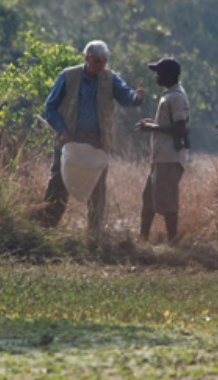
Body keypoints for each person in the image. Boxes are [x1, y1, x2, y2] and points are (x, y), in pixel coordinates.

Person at [41, 40, 145, 242]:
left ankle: (93, 236)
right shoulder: (68, 75)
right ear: (86, 58)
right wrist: (62, 131)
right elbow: (50, 108)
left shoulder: (109, 78)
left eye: (104, 62)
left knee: (97, 190)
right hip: (69, 142)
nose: (101, 66)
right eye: (97, 62)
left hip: (98, 143)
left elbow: (126, 96)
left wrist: (137, 98)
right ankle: (45, 231)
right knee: (58, 185)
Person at [135, 57, 190, 243]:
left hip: (169, 158)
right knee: (148, 200)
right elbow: (170, 124)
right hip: (160, 157)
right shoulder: (169, 94)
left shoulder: (176, 97)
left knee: (168, 203)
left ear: (169, 75)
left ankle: (173, 243)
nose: (156, 76)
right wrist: (154, 123)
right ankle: (143, 241)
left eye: (159, 73)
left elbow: (180, 127)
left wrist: (153, 128)